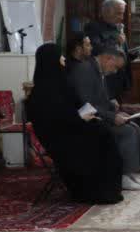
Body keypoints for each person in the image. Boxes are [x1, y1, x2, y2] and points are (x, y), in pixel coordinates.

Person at [27, 43, 123, 204]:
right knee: (102, 138)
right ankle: (97, 191)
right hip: (62, 140)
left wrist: (88, 116)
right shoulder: (42, 93)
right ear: (51, 60)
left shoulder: (61, 83)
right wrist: (80, 118)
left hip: (73, 130)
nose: (64, 59)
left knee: (103, 131)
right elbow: (54, 122)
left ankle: (109, 188)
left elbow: (75, 106)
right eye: (60, 56)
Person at [65, 42, 140, 191]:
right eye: (115, 67)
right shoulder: (85, 70)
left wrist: (115, 112)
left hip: (98, 116)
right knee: (128, 131)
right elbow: (86, 104)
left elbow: (101, 99)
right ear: (108, 58)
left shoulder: (96, 69)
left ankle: (128, 173)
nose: (114, 71)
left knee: (134, 126)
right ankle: (122, 176)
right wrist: (112, 117)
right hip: (86, 121)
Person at [85, 0, 133, 102]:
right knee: (108, 106)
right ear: (106, 12)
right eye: (118, 13)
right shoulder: (93, 27)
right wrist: (115, 42)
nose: (122, 17)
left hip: (121, 75)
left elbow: (120, 50)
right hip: (107, 77)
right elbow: (95, 49)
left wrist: (131, 54)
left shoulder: (118, 28)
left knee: (118, 106)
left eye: (123, 13)